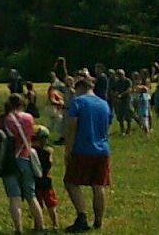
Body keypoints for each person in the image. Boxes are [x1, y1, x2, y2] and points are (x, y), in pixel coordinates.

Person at [63, 77, 111, 232]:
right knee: (98, 185)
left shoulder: (78, 102)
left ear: (79, 88)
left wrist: (67, 150)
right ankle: (98, 221)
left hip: (82, 149)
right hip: (102, 149)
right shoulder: (104, 104)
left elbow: (71, 128)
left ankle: (82, 216)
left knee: (70, 182)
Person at [0, 94, 45, 234]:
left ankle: (18, 229)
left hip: (8, 161)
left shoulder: (3, 119)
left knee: (14, 197)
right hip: (24, 157)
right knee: (31, 195)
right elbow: (30, 136)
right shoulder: (28, 118)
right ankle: (40, 227)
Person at [32, 126, 59, 230]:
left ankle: (37, 225)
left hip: (36, 181)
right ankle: (55, 224)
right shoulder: (48, 152)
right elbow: (49, 164)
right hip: (47, 181)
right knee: (51, 204)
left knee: (37, 204)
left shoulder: (31, 152)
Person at [113, 70, 133, 135]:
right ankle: (122, 130)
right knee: (120, 116)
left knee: (128, 114)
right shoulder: (117, 82)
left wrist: (121, 95)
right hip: (119, 100)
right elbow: (116, 90)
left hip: (126, 99)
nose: (119, 76)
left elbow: (129, 90)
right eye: (118, 75)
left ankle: (129, 129)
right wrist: (116, 96)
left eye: (120, 74)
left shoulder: (128, 81)